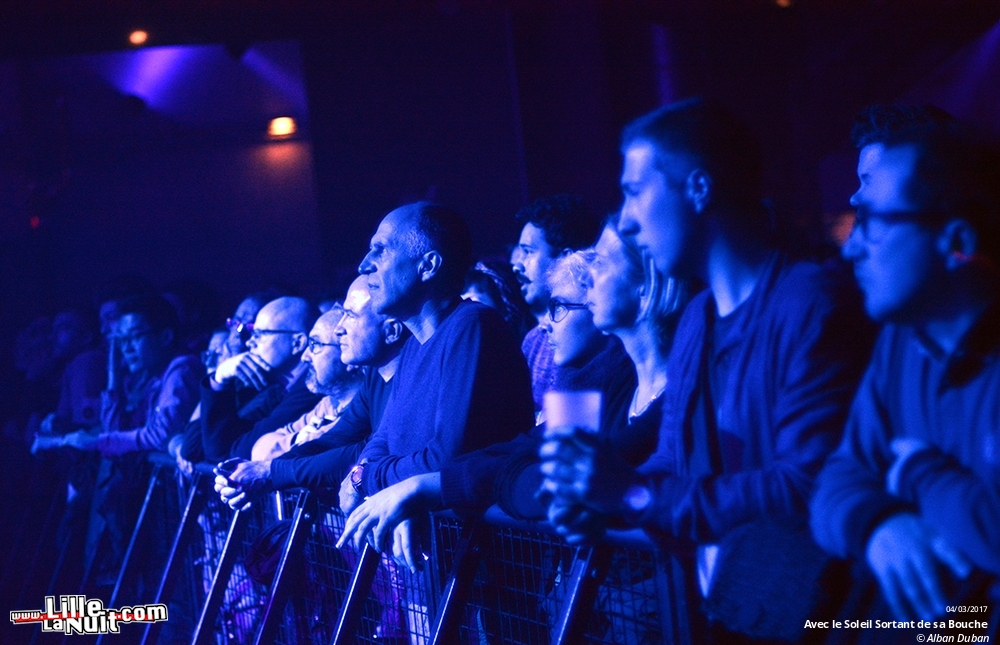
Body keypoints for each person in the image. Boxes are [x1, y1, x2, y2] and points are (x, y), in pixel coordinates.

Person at [539, 97, 874, 644]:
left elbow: (807, 484)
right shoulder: (698, 316)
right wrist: (606, 502)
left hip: (817, 621)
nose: (625, 219)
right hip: (727, 615)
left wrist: (636, 497)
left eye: (634, 191)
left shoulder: (810, 301)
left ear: (698, 189)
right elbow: (677, 458)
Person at [810, 105, 1000, 641]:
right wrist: (879, 524)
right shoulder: (901, 340)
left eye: (873, 222)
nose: (849, 248)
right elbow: (837, 480)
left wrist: (918, 474)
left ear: (957, 243)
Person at [337, 202, 533, 516]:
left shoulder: (472, 327)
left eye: (381, 250)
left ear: (427, 267)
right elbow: (383, 436)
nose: (363, 265)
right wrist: (379, 480)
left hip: (485, 553)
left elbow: (446, 460)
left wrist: (366, 479)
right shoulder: (413, 344)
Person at [214, 276, 407, 509]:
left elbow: (358, 450)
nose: (341, 327)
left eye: (351, 315)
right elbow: (333, 441)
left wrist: (269, 472)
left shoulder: (405, 378)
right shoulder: (375, 381)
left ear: (392, 330)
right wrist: (264, 470)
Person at [510, 195, 603, 415]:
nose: (516, 266)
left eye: (529, 251)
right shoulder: (532, 341)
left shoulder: (590, 338)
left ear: (566, 258)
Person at [200, 296, 321, 462]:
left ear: (298, 343)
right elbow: (215, 448)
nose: (250, 342)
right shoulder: (275, 390)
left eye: (260, 334)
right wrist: (219, 378)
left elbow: (235, 453)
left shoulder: (311, 390)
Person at [249, 306, 362, 461]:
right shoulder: (329, 403)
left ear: (350, 356)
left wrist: (305, 439)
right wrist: (297, 439)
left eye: (315, 345)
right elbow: (259, 450)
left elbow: (283, 463)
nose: (305, 356)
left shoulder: (359, 413)